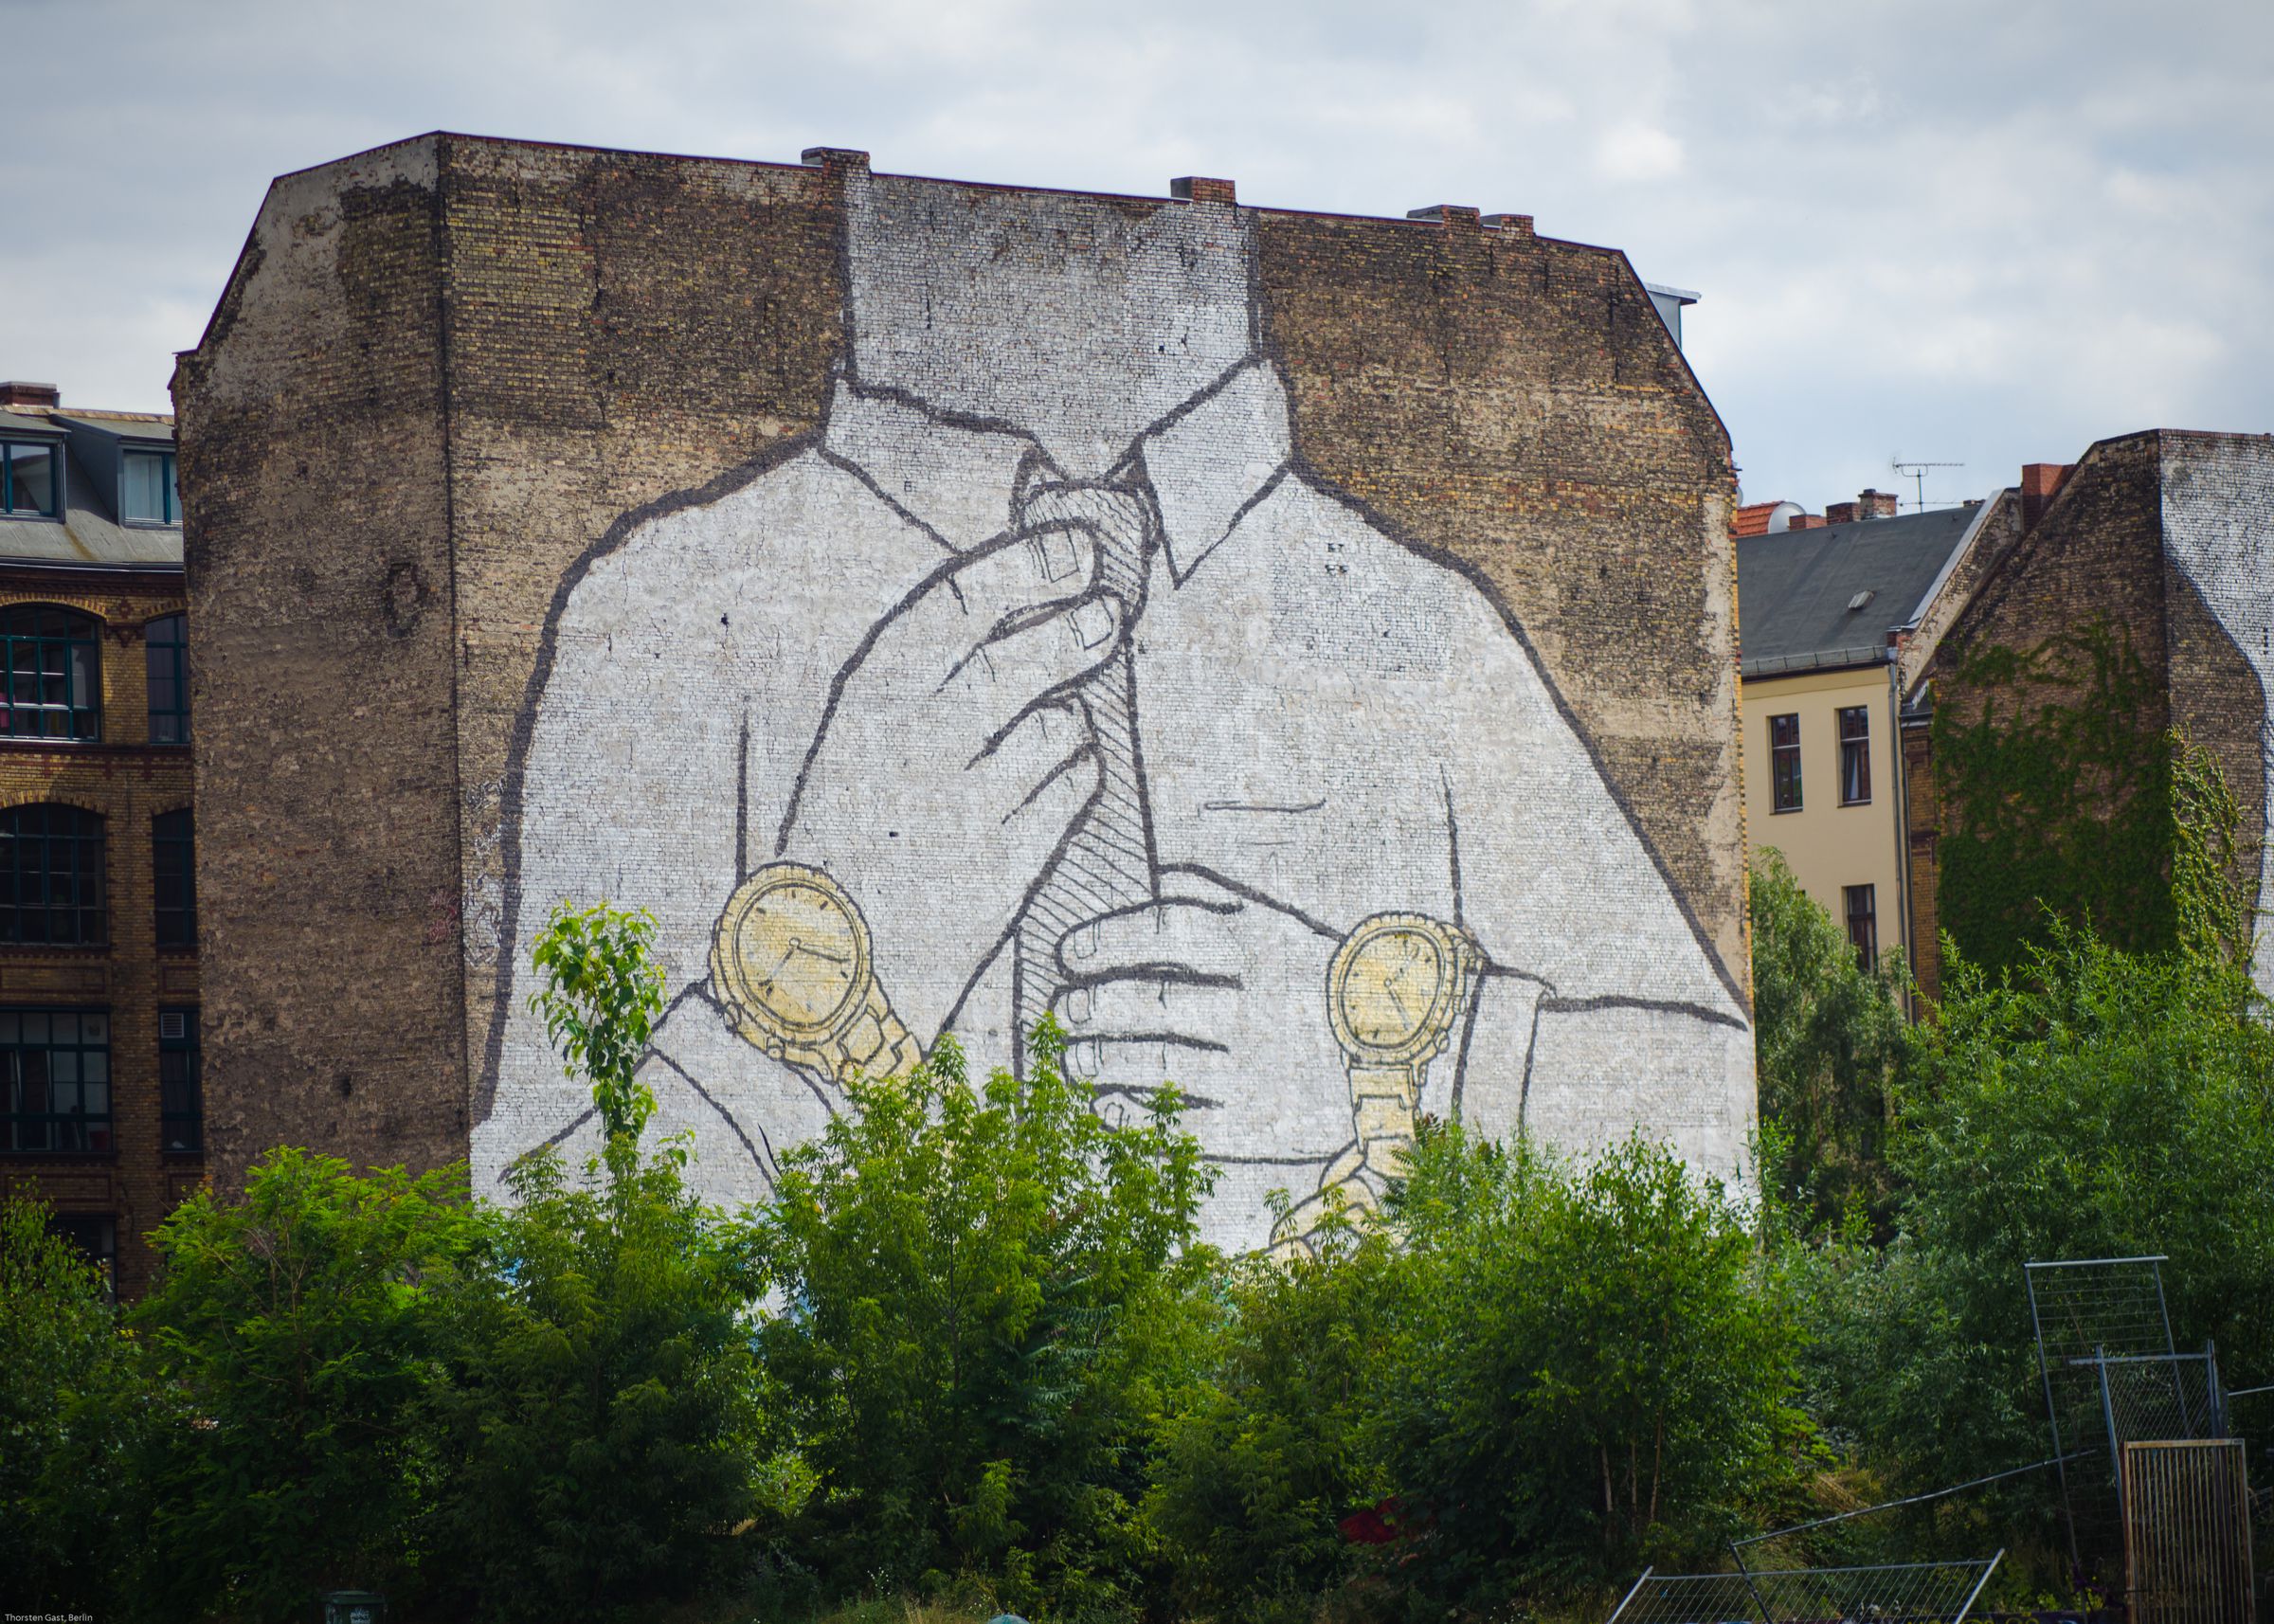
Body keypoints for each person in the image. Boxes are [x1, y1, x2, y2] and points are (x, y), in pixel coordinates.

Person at [476, 170, 1749, 1252]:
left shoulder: (1425, 626)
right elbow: (525, 1254)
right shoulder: (669, 614)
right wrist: (833, 988)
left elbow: (1717, 1151)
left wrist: (1401, 1070)